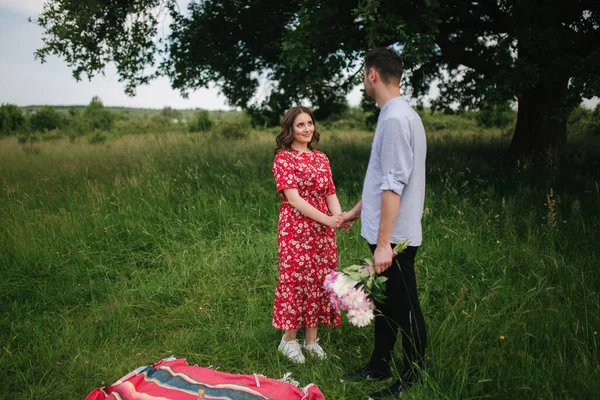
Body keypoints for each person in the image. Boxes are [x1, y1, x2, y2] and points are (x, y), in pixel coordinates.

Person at [340, 47, 427, 399]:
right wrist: (354, 213)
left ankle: (411, 378)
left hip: (395, 239)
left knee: (406, 308)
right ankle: (379, 364)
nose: (364, 81)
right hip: (387, 235)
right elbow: (380, 181)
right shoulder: (400, 114)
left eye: (363, 75)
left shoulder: (393, 119)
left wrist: (383, 244)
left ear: (372, 74)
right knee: (385, 304)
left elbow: (393, 185)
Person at [272, 106, 349, 363]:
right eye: (300, 125)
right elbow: (293, 199)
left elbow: (330, 193)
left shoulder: (321, 158)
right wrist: (328, 219)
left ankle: (311, 341)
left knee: (320, 279)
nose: (307, 129)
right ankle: (289, 340)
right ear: (290, 129)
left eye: (309, 123)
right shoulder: (284, 158)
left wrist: (339, 219)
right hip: (295, 228)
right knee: (296, 280)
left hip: (323, 230)